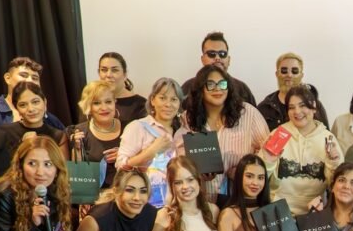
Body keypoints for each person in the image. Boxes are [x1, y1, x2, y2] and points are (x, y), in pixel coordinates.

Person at [174, 64, 269, 202]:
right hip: (200, 201)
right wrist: (195, 171)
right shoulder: (188, 118)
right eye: (211, 84)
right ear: (200, 89)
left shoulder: (248, 113)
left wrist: (245, 171)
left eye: (222, 84)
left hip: (239, 201)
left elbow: (268, 152)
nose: (218, 89)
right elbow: (179, 158)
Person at [261, 85, 342, 215]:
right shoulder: (279, 135)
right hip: (278, 212)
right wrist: (268, 163)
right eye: (291, 107)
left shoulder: (328, 139)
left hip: (315, 213)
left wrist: (333, 163)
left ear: (313, 106)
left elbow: (336, 184)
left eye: (302, 105)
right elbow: (260, 177)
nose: (297, 112)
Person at [115, 77, 182, 208]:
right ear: (152, 100)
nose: (168, 104)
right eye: (162, 98)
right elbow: (121, 167)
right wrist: (150, 152)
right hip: (146, 204)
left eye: (174, 99)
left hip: (180, 203)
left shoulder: (184, 131)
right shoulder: (138, 127)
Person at [217, 154, 285, 231]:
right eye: (249, 176)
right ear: (239, 178)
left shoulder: (270, 209)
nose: (255, 183)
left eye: (260, 178)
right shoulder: (228, 214)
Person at [0, 56, 65, 129]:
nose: (30, 80)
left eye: (35, 78)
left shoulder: (49, 118)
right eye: (23, 75)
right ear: (8, 78)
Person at [67, 80, 123, 190]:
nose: (104, 108)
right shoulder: (78, 132)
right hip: (93, 195)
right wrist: (77, 150)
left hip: (125, 193)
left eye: (108, 101)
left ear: (114, 103)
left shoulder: (130, 129)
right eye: (97, 103)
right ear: (88, 107)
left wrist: (124, 156)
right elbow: (76, 177)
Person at [180, 32, 256, 107]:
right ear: (202, 59)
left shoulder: (242, 90)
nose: (217, 58)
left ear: (229, 59)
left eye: (222, 54)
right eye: (211, 54)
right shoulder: (188, 87)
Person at [257, 52, 329, 131]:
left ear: (301, 75)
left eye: (295, 71)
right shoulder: (264, 108)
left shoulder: (314, 105)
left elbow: (325, 135)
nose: (289, 75)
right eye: (284, 70)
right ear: (277, 74)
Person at [1, 82, 70, 161]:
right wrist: (23, 145)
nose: (31, 109)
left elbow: (62, 167)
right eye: (23, 105)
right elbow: (2, 166)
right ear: (16, 108)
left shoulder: (58, 136)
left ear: (45, 102)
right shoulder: (5, 132)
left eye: (35, 102)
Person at [97, 52, 148, 124]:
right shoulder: (91, 102)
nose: (108, 75)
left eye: (114, 70)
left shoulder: (141, 105)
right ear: (99, 73)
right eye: (104, 70)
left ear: (125, 74)